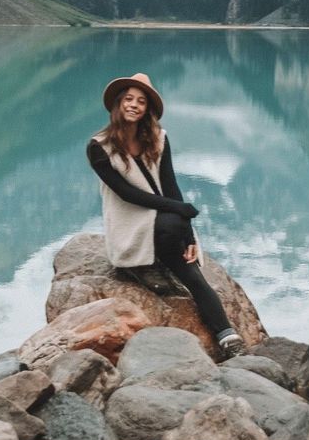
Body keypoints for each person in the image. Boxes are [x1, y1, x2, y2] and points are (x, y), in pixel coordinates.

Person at [87, 72, 245, 359]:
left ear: (148, 109)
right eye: (128, 99)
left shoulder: (158, 138)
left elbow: (170, 184)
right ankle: (139, 264)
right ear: (118, 104)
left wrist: (189, 235)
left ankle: (226, 335)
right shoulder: (99, 147)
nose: (134, 105)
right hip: (132, 224)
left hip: (166, 227)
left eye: (141, 101)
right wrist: (179, 211)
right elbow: (126, 193)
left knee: (191, 272)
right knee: (173, 224)